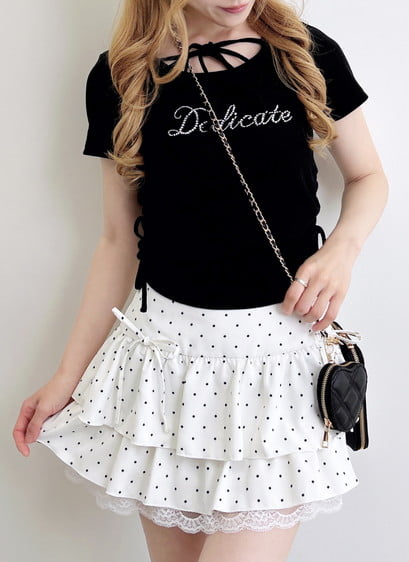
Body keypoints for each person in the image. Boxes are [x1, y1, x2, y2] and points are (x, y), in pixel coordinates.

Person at [13, 0, 388, 560]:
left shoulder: (303, 52)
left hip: (274, 359)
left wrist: (342, 250)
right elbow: (117, 240)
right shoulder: (124, 74)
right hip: (164, 363)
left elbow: (368, 176)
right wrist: (68, 376)